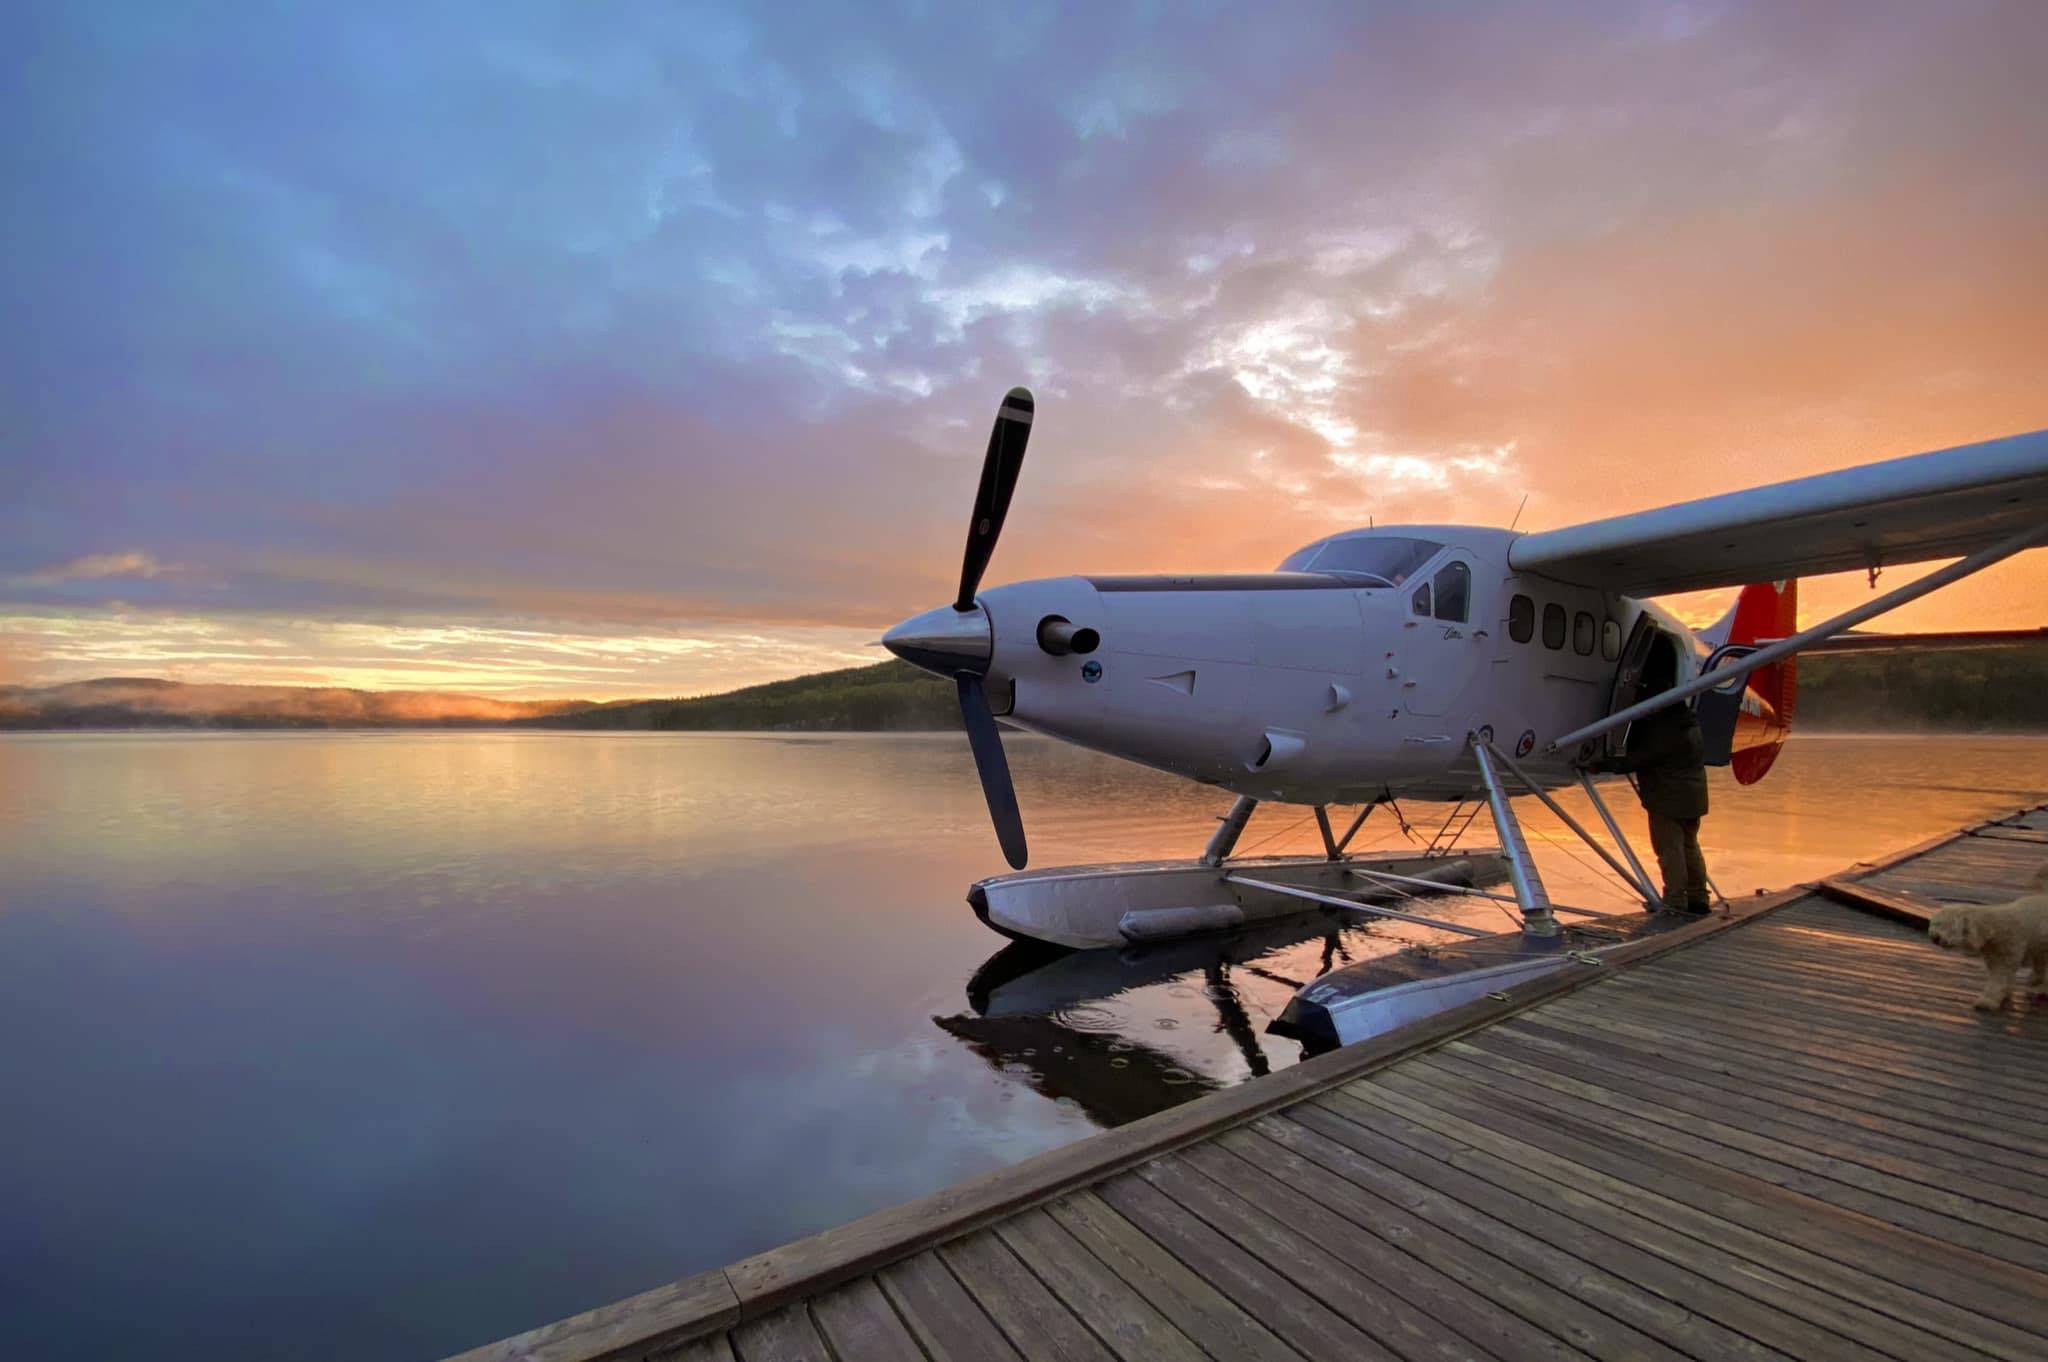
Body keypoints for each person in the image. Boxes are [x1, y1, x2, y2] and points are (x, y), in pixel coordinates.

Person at [1585, 643, 1712, 913]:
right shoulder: (1690, 725)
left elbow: (1637, 759)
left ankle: (1675, 900)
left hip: (1668, 799)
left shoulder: (1665, 732)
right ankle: (1699, 897)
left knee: (1670, 851)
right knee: (1690, 846)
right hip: (1693, 797)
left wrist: (1602, 765)